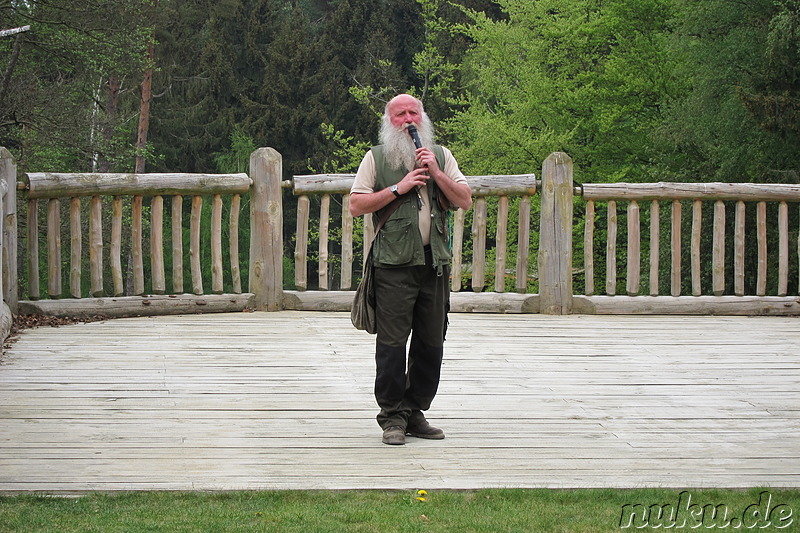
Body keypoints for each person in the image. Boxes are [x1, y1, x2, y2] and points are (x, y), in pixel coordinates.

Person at [349, 94, 473, 445]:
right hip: (392, 266)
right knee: (391, 345)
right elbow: (356, 205)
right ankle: (391, 416)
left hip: (434, 265)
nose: (408, 119)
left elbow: (463, 199)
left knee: (431, 343)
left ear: (423, 117)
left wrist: (435, 172)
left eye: (413, 112)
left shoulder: (442, 156)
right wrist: (397, 188)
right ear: (389, 121)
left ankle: (414, 411)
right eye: (400, 114)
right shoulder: (376, 157)